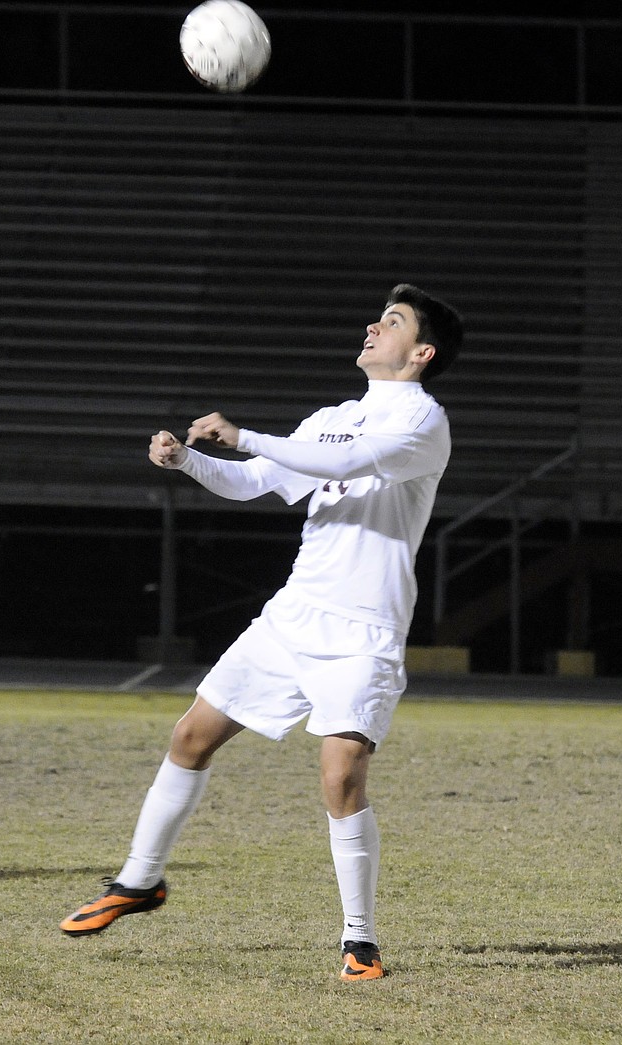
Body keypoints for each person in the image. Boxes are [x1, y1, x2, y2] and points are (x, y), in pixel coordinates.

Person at [60, 283, 463, 981]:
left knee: (341, 774)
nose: (372, 324)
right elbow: (254, 482)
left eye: (391, 321)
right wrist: (189, 461)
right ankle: (137, 880)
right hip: (292, 616)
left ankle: (360, 938)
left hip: (363, 630)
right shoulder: (333, 415)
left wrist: (243, 432)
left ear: (421, 351)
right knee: (190, 736)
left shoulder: (423, 421)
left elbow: (341, 465)